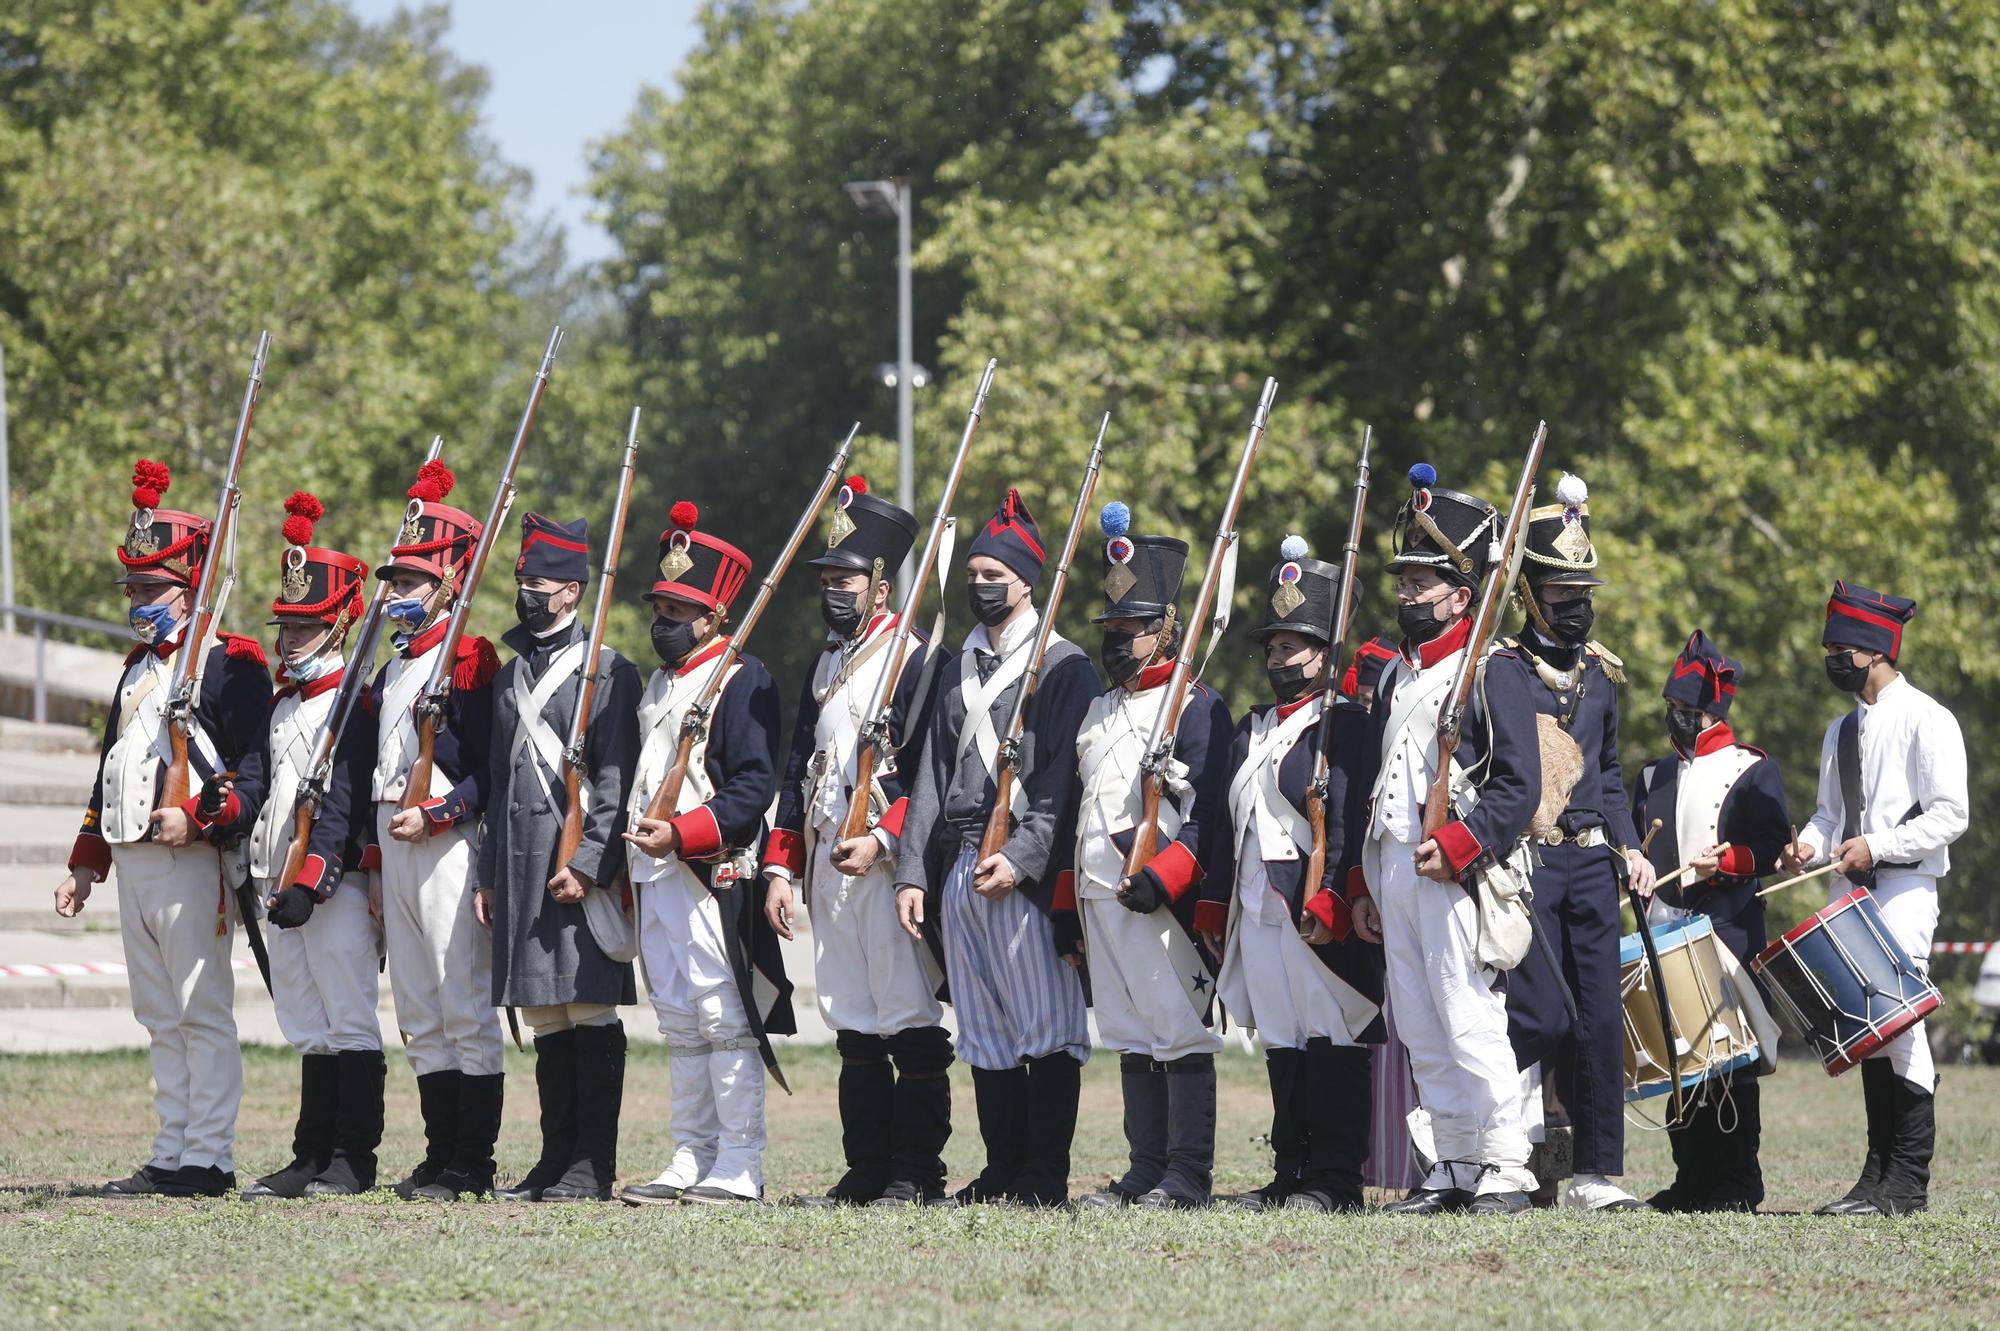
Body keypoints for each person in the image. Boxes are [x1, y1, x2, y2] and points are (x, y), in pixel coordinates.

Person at [58, 459, 272, 1199]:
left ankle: (208, 1156)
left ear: (189, 583)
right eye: (134, 588)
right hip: (133, 855)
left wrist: (204, 817)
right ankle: (171, 1145)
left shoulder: (228, 663)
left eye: (151, 588)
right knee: (157, 1012)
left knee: (199, 1009)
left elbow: (254, 768)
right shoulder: (138, 668)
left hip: (189, 857)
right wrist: (87, 860)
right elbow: (112, 764)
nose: (138, 601)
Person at [892, 488, 1099, 1207]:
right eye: (974, 573)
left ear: (1028, 580)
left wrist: (1025, 855)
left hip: (1019, 868)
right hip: (959, 864)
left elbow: (1061, 778)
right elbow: (931, 772)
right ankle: (1005, 1165)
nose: (981, 585)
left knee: (1045, 1027)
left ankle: (1046, 1173)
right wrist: (913, 869)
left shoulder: (1065, 666)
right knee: (983, 1032)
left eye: (993, 575)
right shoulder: (957, 663)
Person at [1349, 463, 1543, 1216]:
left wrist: (1461, 846)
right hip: (1395, 864)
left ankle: (1506, 1165)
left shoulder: (1491, 670)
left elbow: (1517, 787)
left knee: (1467, 1015)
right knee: (1419, 1024)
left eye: (1423, 583)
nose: (1407, 595)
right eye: (1403, 583)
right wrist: (1366, 879)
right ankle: (1456, 1160)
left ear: (1463, 595)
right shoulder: (1400, 677)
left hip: (1453, 870)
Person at [761, 476, 952, 1207]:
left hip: (884, 865)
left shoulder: (912, 655)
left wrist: (884, 838)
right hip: (828, 867)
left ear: (879, 585)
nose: (834, 589)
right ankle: (867, 1166)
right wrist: (782, 864)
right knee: (854, 1024)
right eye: (829, 577)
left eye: (847, 577)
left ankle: (916, 1171)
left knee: (907, 1018)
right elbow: (797, 769)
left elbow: (930, 766)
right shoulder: (826, 660)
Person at [1199, 537, 1381, 1213]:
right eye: (1273, 647)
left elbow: (1350, 821)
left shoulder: (1349, 724)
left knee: (1331, 1037)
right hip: (1258, 905)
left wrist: (1336, 894)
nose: (1280, 658)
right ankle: (1290, 1169)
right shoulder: (1252, 728)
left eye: (1294, 646)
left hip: (1312, 904)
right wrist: (1216, 905)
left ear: (1325, 651)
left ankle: (1334, 1178)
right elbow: (1226, 824)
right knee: (1283, 1038)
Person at [620, 501, 791, 1206]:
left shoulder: (742, 677)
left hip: (705, 872)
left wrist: (686, 832)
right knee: (678, 1020)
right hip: (653, 873)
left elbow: (753, 785)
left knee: (724, 1019)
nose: (663, 619)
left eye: (679, 608)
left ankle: (740, 1163)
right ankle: (691, 1153)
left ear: (715, 614)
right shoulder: (661, 681)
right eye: (660, 604)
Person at [1783, 582, 1967, 1217]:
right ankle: (1875, 1177)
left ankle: (1908, 1182)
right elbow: (1828, 815)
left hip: (1905, 890)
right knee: (1868, 1030)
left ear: (1873, 650)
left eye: (1841, 647)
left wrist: (1879, 847)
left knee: (1901, 1026)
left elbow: (1951, 815)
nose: (1833, 656)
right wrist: (1806, 846)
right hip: (1848, 890)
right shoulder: (1839, 729)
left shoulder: (1928, 717)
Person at [475, 513, 643, 1203]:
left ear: (573, 590)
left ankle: (591, 1164)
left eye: (539, 581)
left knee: (587, 1006)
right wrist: (489, 874)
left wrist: (591, 861)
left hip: (573, 861)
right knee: (546, 1013)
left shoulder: (610, 671)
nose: (527, 590)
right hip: (518, 861)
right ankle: (554, 1156)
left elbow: (614, 777)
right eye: (523, 580)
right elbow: (495, 779)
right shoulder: (510, 674)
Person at [1069, 501, 1232, 1211]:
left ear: (1165, 628)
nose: (1118, 640)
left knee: (1178, 1031)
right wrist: (1065, 910)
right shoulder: (1103, 707)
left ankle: (1187, 1174)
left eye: (1131, 628)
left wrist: (1163, 877)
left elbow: (1208, 820)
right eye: (1112, 627)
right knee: (1132, 1036)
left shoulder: (1196, 706)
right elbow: (1086, 810)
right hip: (1099, 895)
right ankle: (1145, 1166)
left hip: (1156, 897)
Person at [1499, 472, 1655, 1212]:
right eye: (1564, 597)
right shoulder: (1502, 671)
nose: (1578, 609)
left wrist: (1631, 848)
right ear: (1530, 594)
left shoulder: (1601, 673)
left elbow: (1613, 770)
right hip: (1528, 860)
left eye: (1584, 595)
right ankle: (1512, 1148)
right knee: (1536, 1013)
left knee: (1597, 1018)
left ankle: (1596, 1170)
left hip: (1592, 860)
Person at [240, 493, 385, 1199]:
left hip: (331, 886)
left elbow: (343, 806)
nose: (291, 638)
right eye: (288, 626)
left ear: (339, 627)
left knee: (350, 1019)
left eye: (307, 627)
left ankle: (354, 1159)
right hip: (280, 883)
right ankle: (312, 1152)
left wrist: (313, 881)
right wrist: (226, 802)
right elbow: (260, 783)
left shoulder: (352, 704)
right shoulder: (284, 701)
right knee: (306, 1023)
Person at [367, 459, 504, 1201]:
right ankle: (437, 1150)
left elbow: (490, 771)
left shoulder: (472, 658)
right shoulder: (394, 667)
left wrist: (444, 812)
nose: (396, 593)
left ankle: (471, 1162)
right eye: (394, 580)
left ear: (449, 580)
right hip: (396, 840)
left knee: (463, 1002)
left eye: (413, 581)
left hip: (449, 844)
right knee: (419, 1010)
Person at [1631, 630, 1790, 1213]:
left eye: (1688, 711)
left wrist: (1728, 860)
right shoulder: (1651, 776)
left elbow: (1772, 849)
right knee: (1679, 1056)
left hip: (1727, 925)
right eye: (1672, 708)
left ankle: (1736, 1182)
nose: (1678, 718)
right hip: (1667, 923)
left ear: (1711, 711)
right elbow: (1637, 842)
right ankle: (1691, 1177)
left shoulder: (1752, 768)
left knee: (1731, 1058)